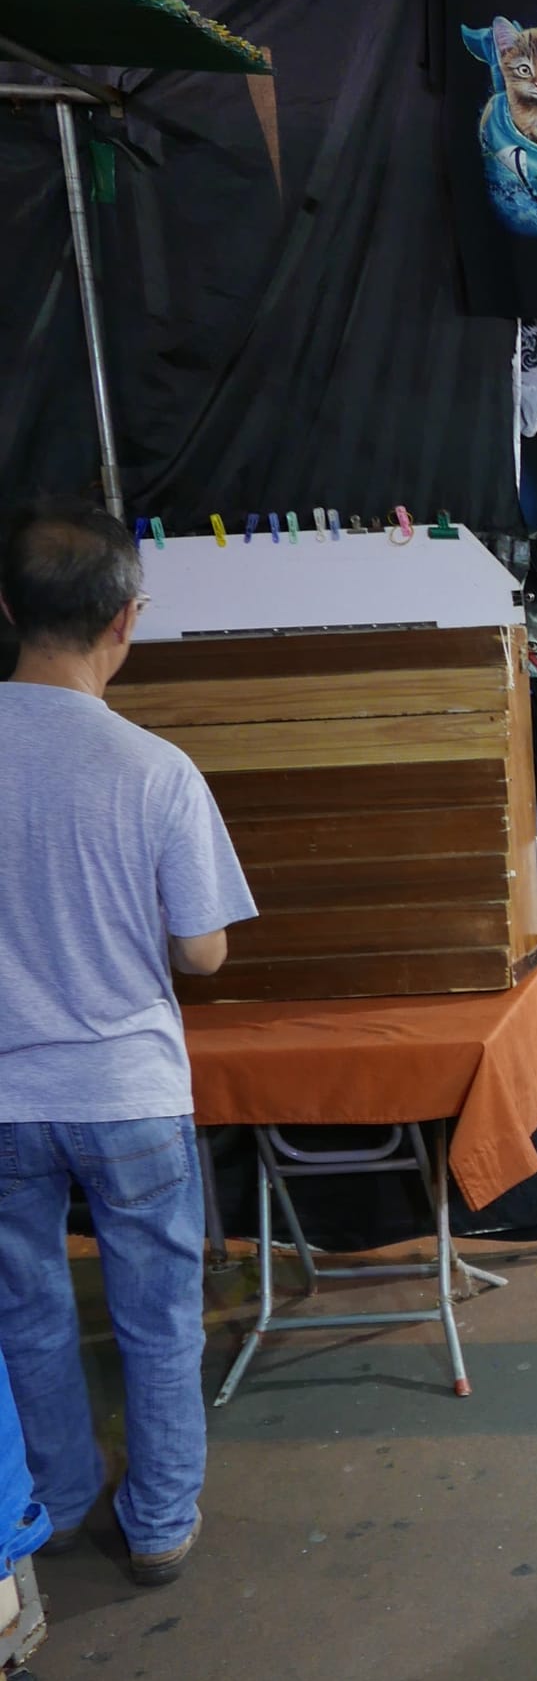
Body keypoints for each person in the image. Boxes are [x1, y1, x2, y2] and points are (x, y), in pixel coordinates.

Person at [0, 502, 257, 1583]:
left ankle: (54, 1503)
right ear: (125, 621)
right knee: (155, 1318)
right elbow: (202, 956)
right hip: (130, 1089)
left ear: (9, 610)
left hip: (5, 1096)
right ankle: (156, 1522)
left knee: (27, 1311)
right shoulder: (157, 770)